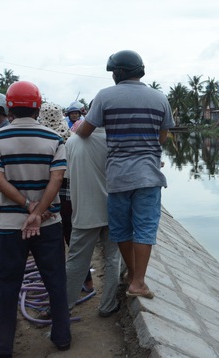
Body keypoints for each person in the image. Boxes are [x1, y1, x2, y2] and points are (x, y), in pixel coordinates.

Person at [77, 50, 174, 299]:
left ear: (118, 73)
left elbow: (85, 132)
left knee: (121, 228)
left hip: (118, 177)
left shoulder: (105, 96)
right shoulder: (159, 98)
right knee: (145, 227)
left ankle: (133, 275)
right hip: (148, 175)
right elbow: (162, 136)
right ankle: (139, 282)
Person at [0, 81, 71, 356]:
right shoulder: (54, 139)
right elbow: (56, 179)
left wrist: (25, 206)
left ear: (8, 107)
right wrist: (37, 213)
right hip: (48, 223)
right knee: (55, 280)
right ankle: (62, 337)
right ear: (38, 107)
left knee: (8, 284)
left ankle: (1, 347)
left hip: (10, 226)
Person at [65, 124, 121, 317]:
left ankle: (65, 306)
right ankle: (108, 305)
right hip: (114, 212)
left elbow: (67, 175)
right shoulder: (117, 142)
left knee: (76, 261)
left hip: (84, 212)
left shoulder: (72, 142)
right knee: (113, 259)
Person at [38, 102, 93, 293]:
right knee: (73, 239)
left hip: (51, 196)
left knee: (54, 241)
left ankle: (62, 283)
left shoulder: (43, 138)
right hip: (71, 195)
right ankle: (86, 281)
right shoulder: (70, 137)